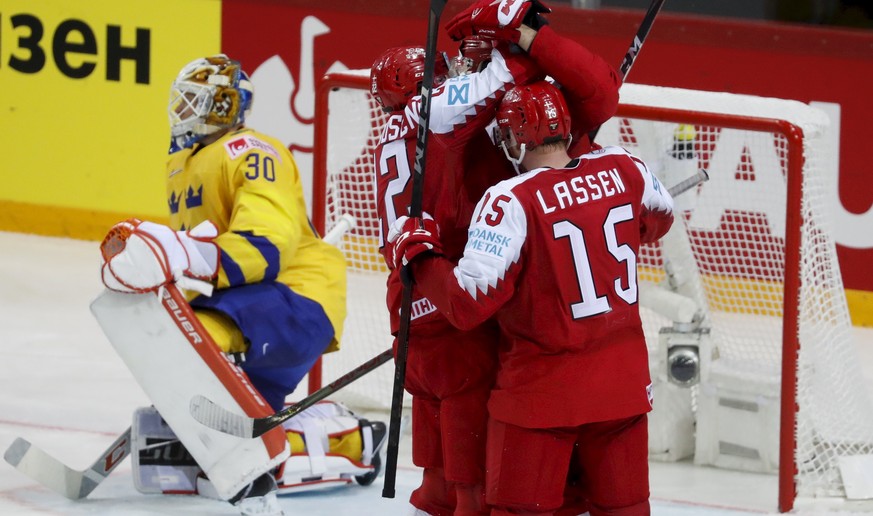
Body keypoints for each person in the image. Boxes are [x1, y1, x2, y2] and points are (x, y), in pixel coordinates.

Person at [98, 54, 382, 515]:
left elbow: (267, 244)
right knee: (236, 426)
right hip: (251, 303)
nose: (182, 112)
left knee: (189, 350)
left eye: (194, 102)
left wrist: (186, 254)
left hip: (295, 299)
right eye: (181, 101)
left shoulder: (251, 151)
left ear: (226, 106)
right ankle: (351, 439)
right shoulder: (182, 165)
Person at [370, 1, 621, 513]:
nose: (463, 66)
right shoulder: (447, 111)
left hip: (411, 297)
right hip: (461, 296)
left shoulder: (408, 125)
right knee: (477, 464)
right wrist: (523, 38)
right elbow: (491, 91)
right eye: (460, 58)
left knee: (438, 451)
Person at [386, 81, 674, 515]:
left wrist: (419, 256)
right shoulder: (623, 165)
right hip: (623, 389)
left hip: (541, 398)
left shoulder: (510, 200)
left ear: (511, 140)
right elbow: (659, 220)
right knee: (626, 509)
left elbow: (466, 304)